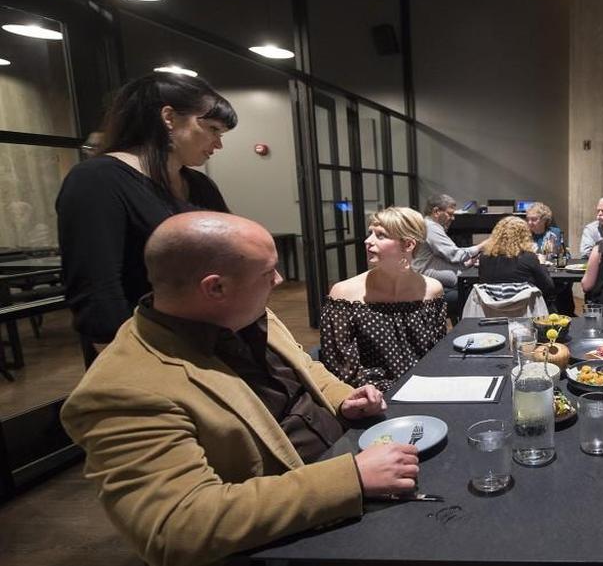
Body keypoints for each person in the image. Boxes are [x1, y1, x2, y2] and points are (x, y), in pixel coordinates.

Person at [60, 212, 420, 566]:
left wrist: (344, 399)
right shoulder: (123, 391)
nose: (279, 279)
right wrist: (351, 478)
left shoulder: (245, 311)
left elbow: (305, 366)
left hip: (354, 453)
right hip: (307, 527)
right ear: (215, 287)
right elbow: (175, 528)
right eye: (268, 272)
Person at [56, 72, 234, 347]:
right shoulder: (97, 179)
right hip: (145, 347)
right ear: (169, 118)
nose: (218, 143)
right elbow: (96, 290)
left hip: (208, 338)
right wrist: (126, 360)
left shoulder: (199, 185)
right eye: (212, 129)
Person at [321, 207, 448, 391]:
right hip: (370, 396)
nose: (368, 241)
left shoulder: (432, 290)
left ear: (408, 245)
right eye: (370, 233)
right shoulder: (343, 294)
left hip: (424, 390)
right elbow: (341, 369)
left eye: (380, 235)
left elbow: (436, 355)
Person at [411, 193, 483, 317]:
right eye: (450, 214)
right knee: (475, 296)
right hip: (431, 286)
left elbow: (444, 258)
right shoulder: (430, 227)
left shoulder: (433, 227)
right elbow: (454, 254)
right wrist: (481, 246)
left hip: (441, 283)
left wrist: (467, 263)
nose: (453, 218)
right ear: (436, 211)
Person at [479, 216, 556, 307]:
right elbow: (549, 286)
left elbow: (483, 283)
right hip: (525, 311)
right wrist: (542, 263)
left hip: (491, 312)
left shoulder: (484, 257)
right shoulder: (529, 257)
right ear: (524, 235)